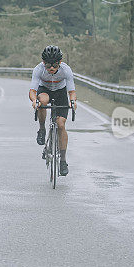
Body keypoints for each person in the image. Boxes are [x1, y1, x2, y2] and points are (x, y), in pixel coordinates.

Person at [29, 45, 76, 175]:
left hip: (60, 92)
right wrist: (34, 101)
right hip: (45, 90)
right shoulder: (38, 69)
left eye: (55, 65)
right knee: (42, 101)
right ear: (43, 63)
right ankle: (42, 129)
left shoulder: (66, 70)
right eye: (48, 65)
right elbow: (32, 90)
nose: (51, 68)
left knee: (61, 124)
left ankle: (63, 160)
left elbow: (71, 91)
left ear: (60, 63)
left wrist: (73, 102)